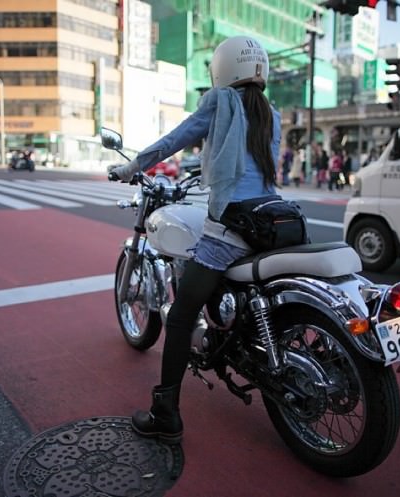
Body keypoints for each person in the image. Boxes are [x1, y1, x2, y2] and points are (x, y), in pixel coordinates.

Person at [108, 35, 281, 444]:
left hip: (232, 229)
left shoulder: (219, 103)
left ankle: (165, 413)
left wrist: (133, 164)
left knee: (181, 315)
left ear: (222, 69)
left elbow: (177, 139)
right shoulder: (271, 112)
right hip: (271, 223)